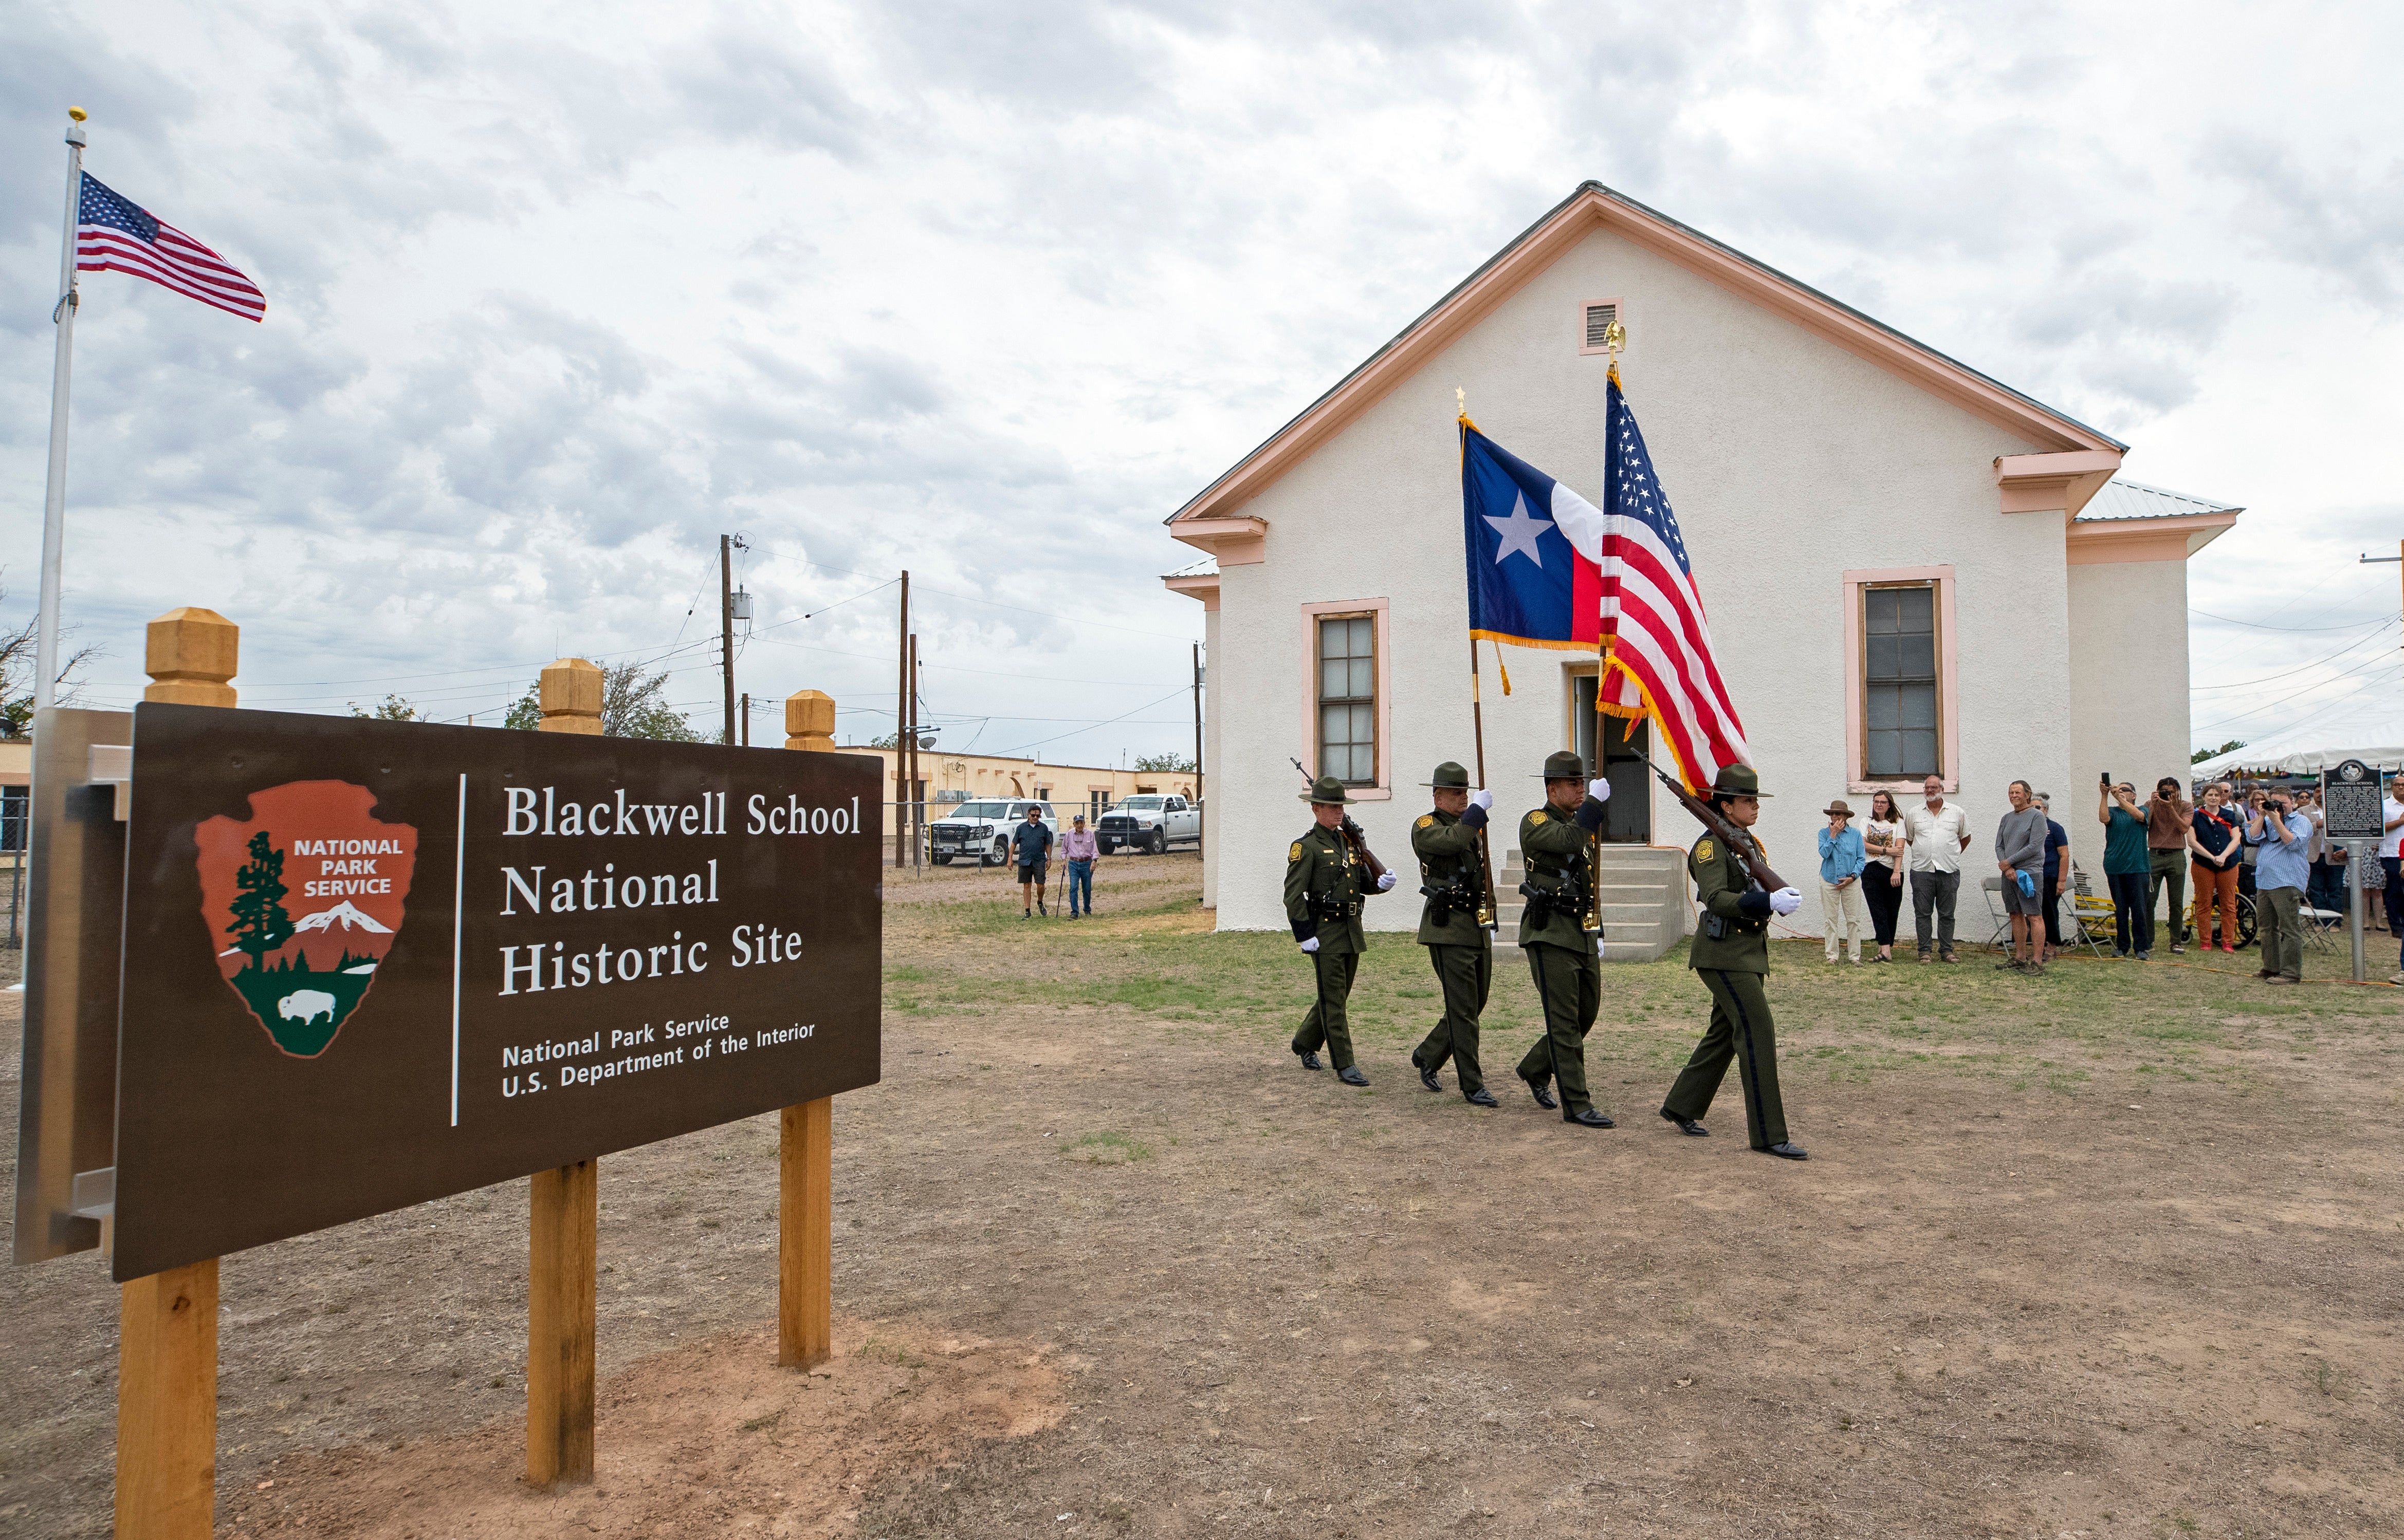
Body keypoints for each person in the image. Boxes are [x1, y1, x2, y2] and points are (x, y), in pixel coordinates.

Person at [1660, 765, 1807, 1159]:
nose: (1755, 806)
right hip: (1723, 954)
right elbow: (1717, 899)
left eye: (1756, 799)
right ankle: (1768, 1134)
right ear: (1725, 806)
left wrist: (1775, 897)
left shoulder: (1747, 842)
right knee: (1757, 1032)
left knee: (1724, 1033)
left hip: (1746, 952)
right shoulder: (1709, 847)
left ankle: (1682, 1105)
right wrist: (1766, 901)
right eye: (1747, 800)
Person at [1512, 751, 1616, 1129]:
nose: (1580, 788)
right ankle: (1577, 1103)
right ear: (1551, 788)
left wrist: (1598, 927)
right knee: (1563, 1021)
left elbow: (1590, 884)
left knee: (1585, 1013)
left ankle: (1535, 1067)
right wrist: (1592, 806)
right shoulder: (1536, 821)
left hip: (1580, 931)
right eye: (1573, 783)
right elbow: (1570, 840)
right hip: (1550, 932)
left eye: (1583, 783)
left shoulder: (1580, 825)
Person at [1286, 775, 1397, 1085]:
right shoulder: (1305, 847)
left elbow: (1359, 883)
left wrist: (1379, 884)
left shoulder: (1348, 842)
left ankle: (1305, 1042)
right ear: (1316, 809)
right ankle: (1345, 1064)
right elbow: (1293, 896)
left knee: (1337, 995)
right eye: (1333, 806)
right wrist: (1304, 934)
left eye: (1342, 807)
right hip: (1324, 933)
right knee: (1334, 1001)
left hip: (1351, 930)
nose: (1339, 812)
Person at [1408, 762, 1499, 1107]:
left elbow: (1480, 873)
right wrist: (1476, 811)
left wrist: (1490, 913)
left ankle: (1429, 1054)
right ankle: (1472, 1084)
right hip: (1447, 928)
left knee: (1475, 1003)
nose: (1463, 797)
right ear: (1438, 795)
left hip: (1474, 925)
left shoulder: (1470, 827)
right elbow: (1452, 841)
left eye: (1465, 792)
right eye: (1456, 792)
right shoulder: (1426, 826)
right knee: (1463, 1010)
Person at [1902, 774, 1972, 962]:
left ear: (1942, 789)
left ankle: (1947, 951)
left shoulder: (1957, 812)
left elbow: (1965, 838)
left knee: (1947, 914)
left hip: (1949, 870)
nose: (1930, 791)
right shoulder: (1914, 813)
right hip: (1921, 870)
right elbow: (1910, 839)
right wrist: (1927, 852)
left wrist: (1950, 854)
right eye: (1927, 788)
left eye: (1934, 787)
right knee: (1923, 913)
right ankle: (1925, 951)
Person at [2246, 790, 2312, 984]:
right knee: (2267, 928)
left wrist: (2276, 819)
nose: (2279, 807)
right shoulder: (2267, 820)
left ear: (2293, 803)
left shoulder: (2301, 822)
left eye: (2283, 803)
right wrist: (2262, 815)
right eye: (2275, 803)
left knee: (2289, 928)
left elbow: (2293, 843)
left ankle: (2291, 972)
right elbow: (2251, 838)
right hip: (2265, 881)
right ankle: (2271, 967)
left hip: (2286, 881)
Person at [1995, 780, 2050, 973]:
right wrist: (2007, 867)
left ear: (2028, 794)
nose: (2014, 796)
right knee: (2015, 914)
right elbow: (1999, 845)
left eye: (2018, 792)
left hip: (2029, 873)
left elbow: (2035, 846)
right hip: (2009, 875)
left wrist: (2010, 862)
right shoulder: (2006, 818)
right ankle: (2020, 957)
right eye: (2011, 792)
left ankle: (2037, 961)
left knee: (2034, 915)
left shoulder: (2037, 817)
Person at [2098, 779, 2152, 958]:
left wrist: (2121, 800)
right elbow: (2103, 818)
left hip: (2138, 868)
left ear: (2134, 795)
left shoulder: (2143, 809)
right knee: (2120, 910)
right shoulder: (2113, 812)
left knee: (2139, 909)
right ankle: (2122, 946)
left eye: (2125, 790)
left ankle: (2141, 947)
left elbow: (2139, 817)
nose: (2120, 791)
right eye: (2118, 789)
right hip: (2115, 867)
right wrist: (2105, 795)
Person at [2187, 782, 2243, 954]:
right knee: (2204, 903)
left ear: (2222, 797)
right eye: (2210, 795)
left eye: (2217, 795)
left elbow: (2236, 839)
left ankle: (2228, 942)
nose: (2214, 798)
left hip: (2228, 864)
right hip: (2203, 864)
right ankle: (2206, 941)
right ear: (2204, 796)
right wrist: (2211, 857)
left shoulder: (2230, 815)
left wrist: (2224, 856)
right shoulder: (2196, 817)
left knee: (2229, 904)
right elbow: (2192, 841)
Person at [2144, 776, 2194, 954]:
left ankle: (2176, 941)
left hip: (2176, 855)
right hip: (2155, 854)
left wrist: (2171, 807)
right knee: (2149, 900)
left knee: (2176, 901)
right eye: (2165, 791)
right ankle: (2148, 941)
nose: (2168, 795)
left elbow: (2184, 828)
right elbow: (2144, 826)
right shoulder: (2151, 804)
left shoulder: (2185, 806)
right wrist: (2153, 805)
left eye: (2171, 792)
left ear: (2177, 792)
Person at [1816, 800, 1868, 963]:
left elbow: (1861, 859)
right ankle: (1832, 956)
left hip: (1851, 882)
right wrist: (1833, 835)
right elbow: (1824, 854)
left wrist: (1852, 877)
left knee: (1853, 920)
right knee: (1831, 920)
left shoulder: (1856, 835)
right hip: (1829, 880)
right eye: (1832, 814)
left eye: (1837, 814)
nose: (1834, 817)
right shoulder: (1823, 833)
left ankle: (1854, 957)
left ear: (1845, 817)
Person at [1861, 790, 1906, 962]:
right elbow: (1864, 845)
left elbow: (1900, 850)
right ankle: (1886, 951)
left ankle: (1884, 946)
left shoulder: (1898, 823)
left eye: (1883, 802)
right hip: (1871, 870)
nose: (1879, 805)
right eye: (1876, 801)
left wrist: (1896, 871)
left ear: (1890, 805)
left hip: (1892, 871)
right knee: (1877, 910)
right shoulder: (1866, 822)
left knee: (1892, 910)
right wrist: (1887, 850)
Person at [2036, 795, 2071, 961]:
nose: (2035, 811)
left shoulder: (2055, 828)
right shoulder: (2029, 827)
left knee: (2049, 912)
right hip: (2032, 876)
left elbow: (2064, 856)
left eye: (2039, 808)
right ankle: (2039, 947)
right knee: (2036, 914)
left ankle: (2051, 947)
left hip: (2050, 876)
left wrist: (2062, 880)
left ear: (2046, 810)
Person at [1012, 805, 1053, 918]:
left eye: (1038, 816)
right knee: (1027, 885)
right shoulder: (1021, 828)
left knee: (1041, 885)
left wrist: (1049, 859)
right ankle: (1027, 911)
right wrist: (1009, 859)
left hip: (1039, 861)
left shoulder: (1044, 828)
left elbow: (1047, 844)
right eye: (1033, 815)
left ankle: (1040, 902)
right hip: (1025, 860)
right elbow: (1014, 843)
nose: (1035, 818)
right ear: (1028, 815)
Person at [1061, 813, 1098, 918]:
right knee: (1073, 887)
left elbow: (1095, 850)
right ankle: (1074, 912)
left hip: (1086, 863)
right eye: (1077, 823)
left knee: (1087, 888)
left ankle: (1087, 909)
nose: (1079, 825)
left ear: (1084, 823)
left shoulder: (1090, 834)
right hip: (1073, 864)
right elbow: (1064, 849)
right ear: (1074, 824)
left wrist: (1094, 861)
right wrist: (1063, 860)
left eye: (1081, 823)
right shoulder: (1069, 834)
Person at [2381, 774, 2404, 939]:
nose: (2401, 788)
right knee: (2395, 891)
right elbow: (2378, 829)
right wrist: (2400, 822)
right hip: (2392, 853)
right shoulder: (2385, 806)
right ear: (2392, 787)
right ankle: (2396, 926)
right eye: (2398, 785)